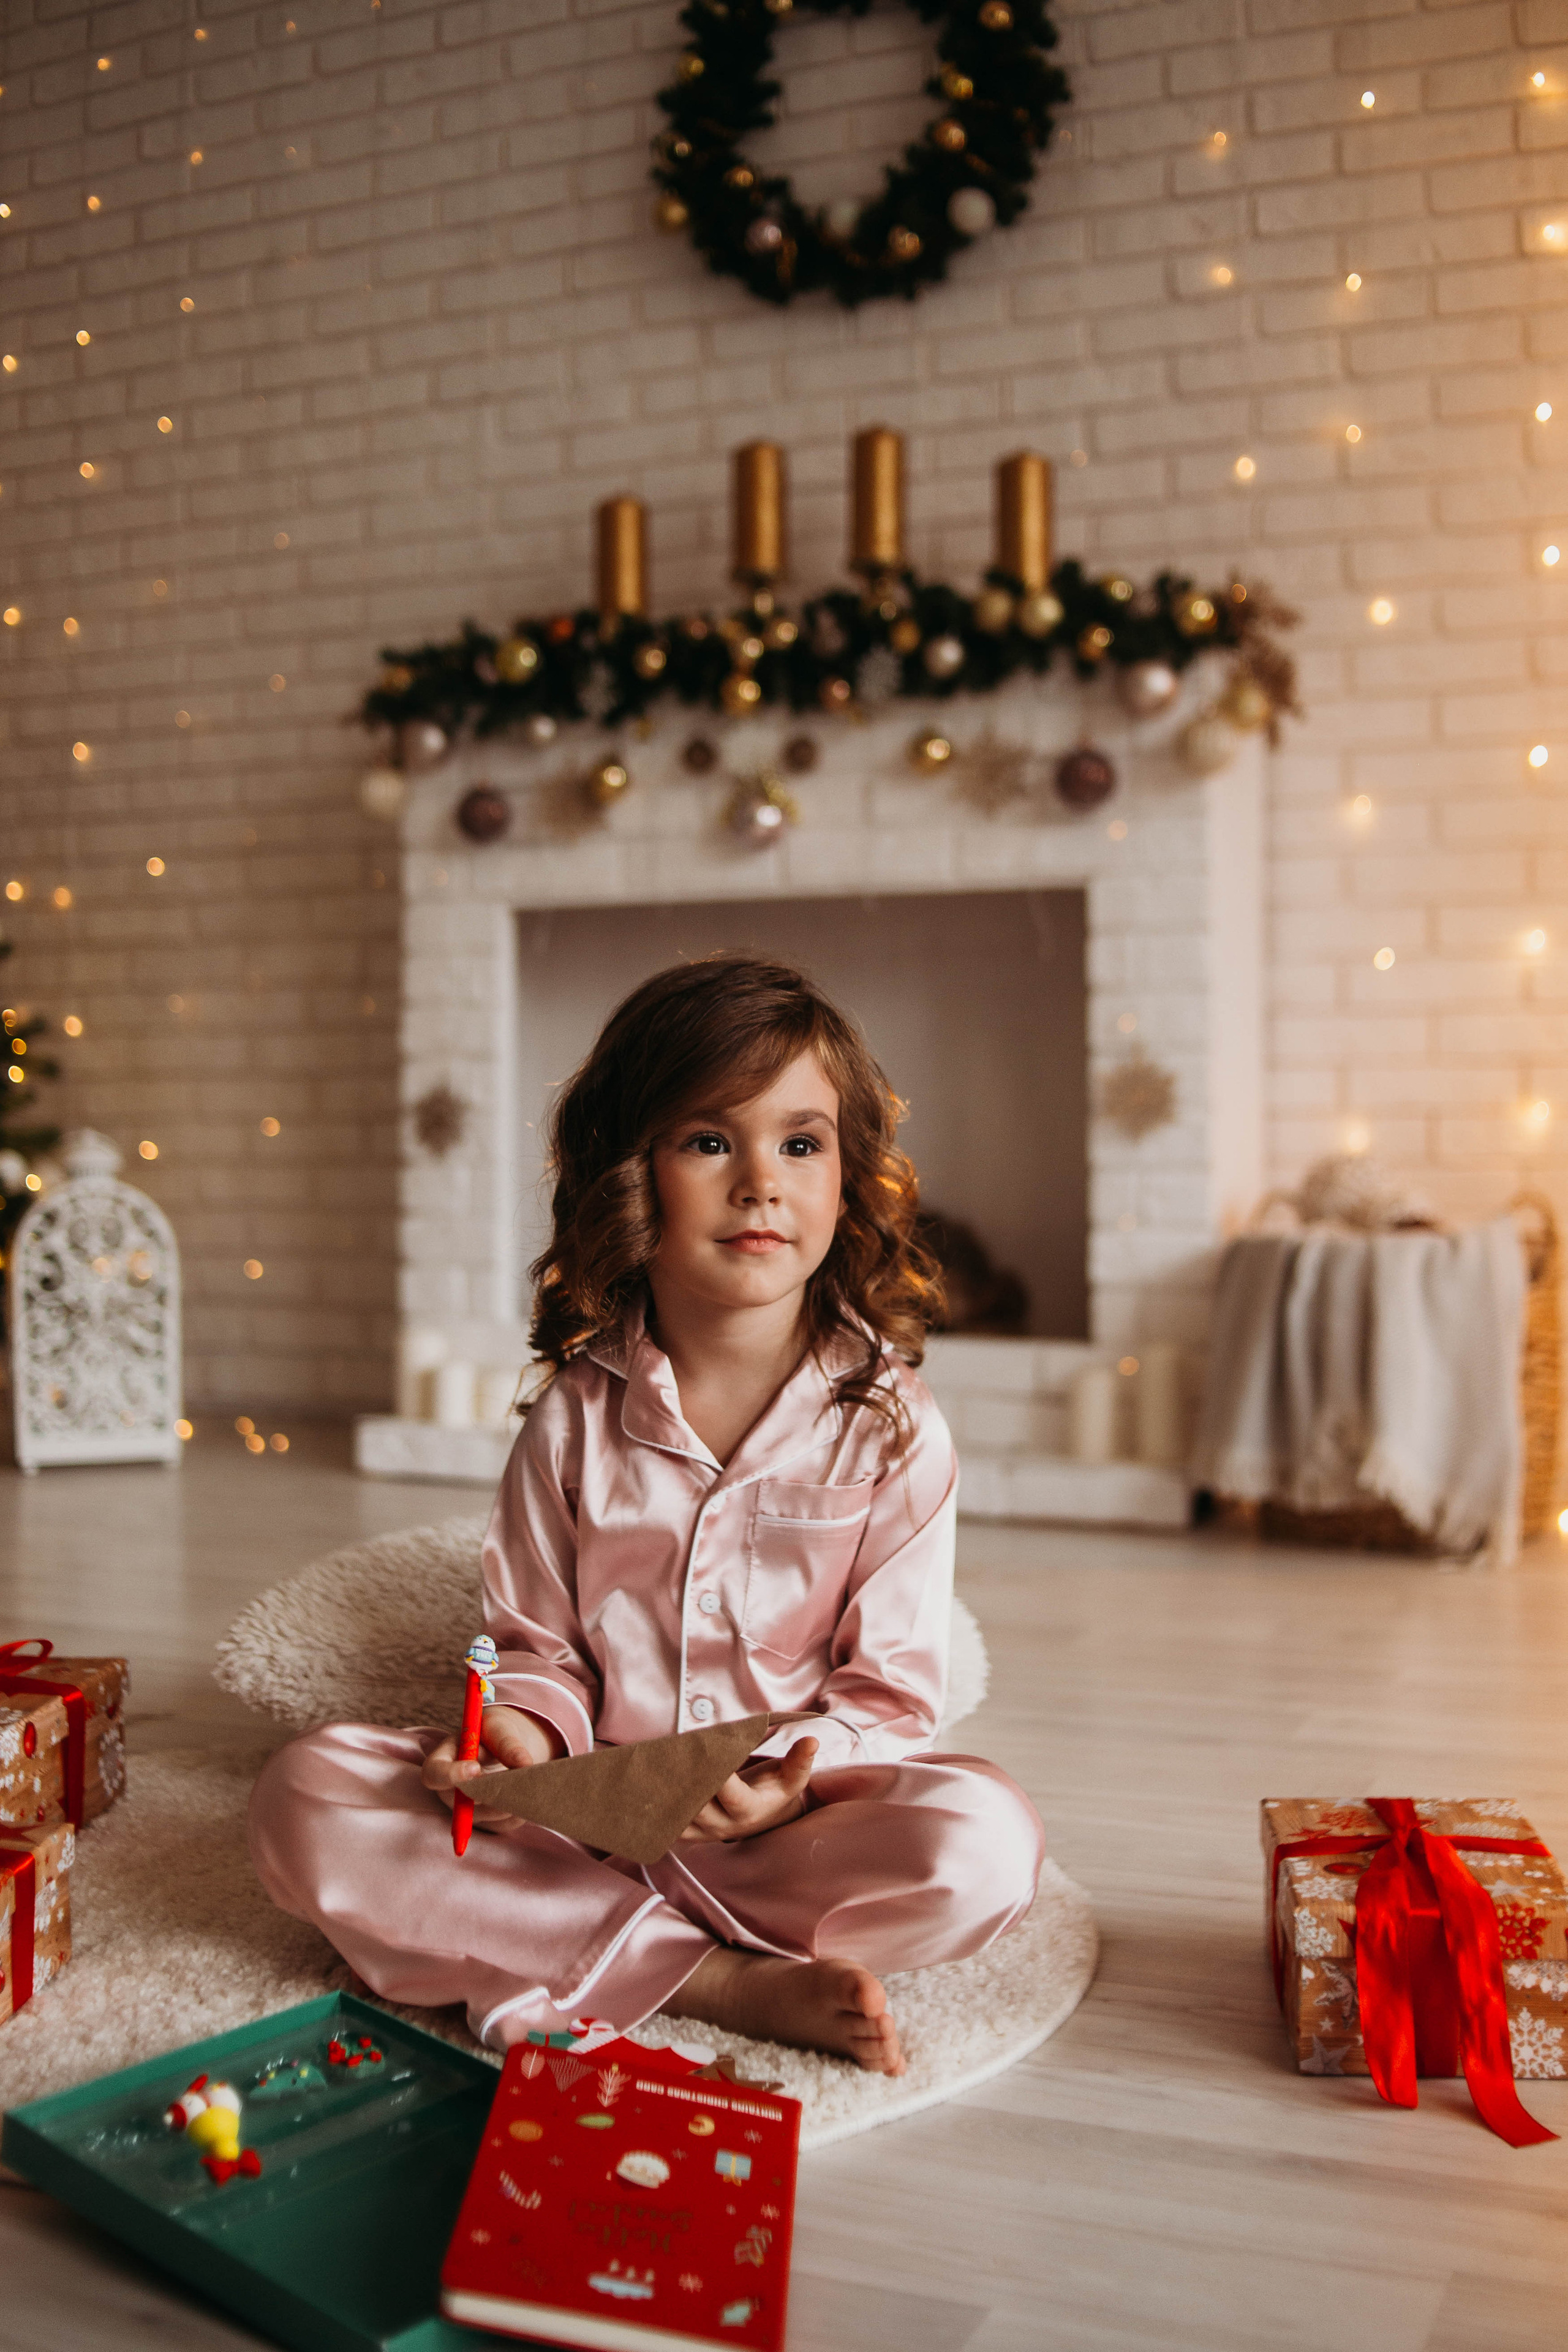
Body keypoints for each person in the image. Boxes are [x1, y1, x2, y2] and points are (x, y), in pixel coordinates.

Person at [249, 956, 1045, 2073]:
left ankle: (569, 1940)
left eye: (801, 1143)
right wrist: (524, 1739)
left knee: (986, 1845)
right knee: (307, 1797)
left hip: (785, 1837)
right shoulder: (572, 1422)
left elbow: (895, 1691)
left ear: (847, 1178)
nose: (761, 1181)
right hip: (575, 1828)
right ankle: (719, 1980)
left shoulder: (894, 1427)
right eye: (711, 1141)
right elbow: (537, 1649)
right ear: (634, 1175)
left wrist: (794, 1774)